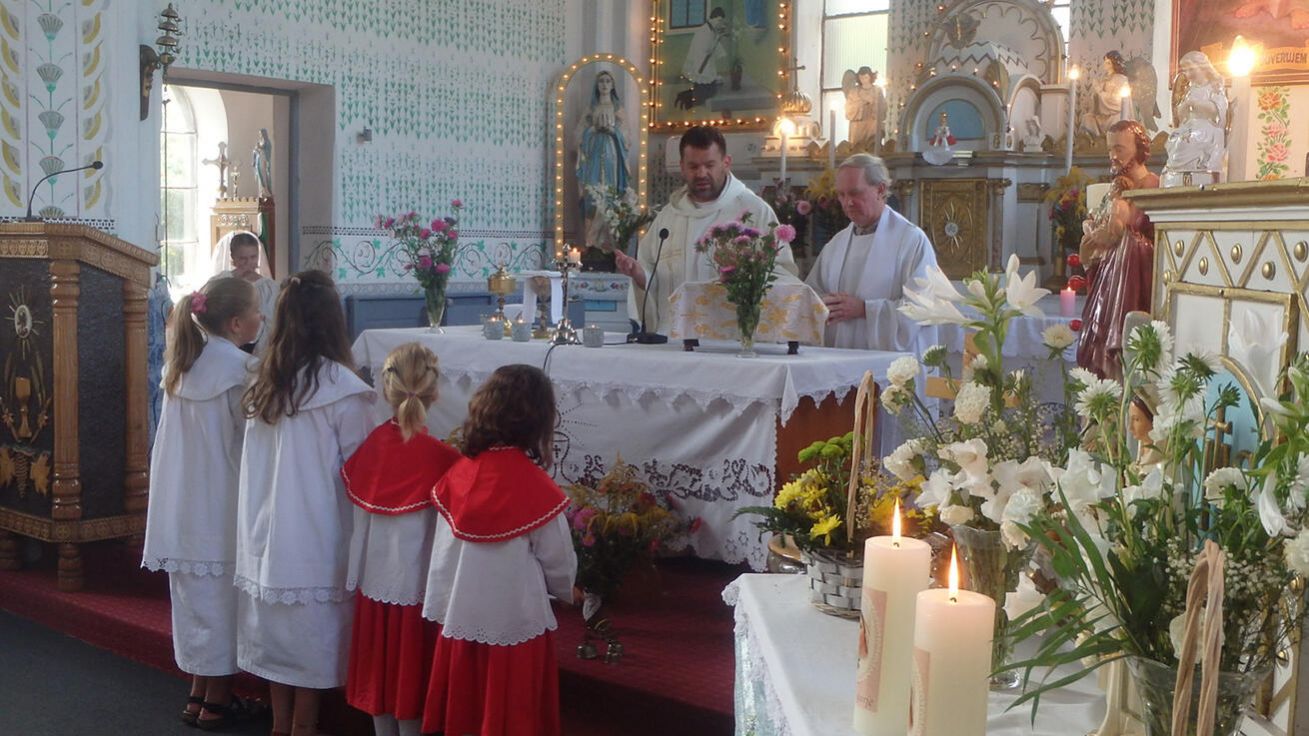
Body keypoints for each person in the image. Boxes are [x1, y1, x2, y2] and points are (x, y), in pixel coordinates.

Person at [236, 270, 377, 736]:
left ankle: (282, 724)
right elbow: (360, 468)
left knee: (280, 632)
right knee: (311, 632)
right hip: (316, 530)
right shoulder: (343, 389)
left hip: (268, 527)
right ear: (334, 323)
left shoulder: (266, 379)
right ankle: (303, 725)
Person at [421, 364, 577, 736]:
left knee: (467, 712)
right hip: (514, 623)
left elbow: (442, 554)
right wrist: (565, 590)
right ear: (539, 420)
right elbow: (558, 564)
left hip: (461, 618)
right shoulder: (534, 485)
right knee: (513, 714)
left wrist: (443, 605)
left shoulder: (460, 474)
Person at [142, 277, 263, 730]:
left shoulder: (185, 361)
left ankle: (198, 692)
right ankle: (217, 701)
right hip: (221, 500)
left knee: (196, 602)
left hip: (182, 502)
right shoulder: (238, 368)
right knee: (223, 604)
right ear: (236, 322)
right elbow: (249, 439)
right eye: (256, 310)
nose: (262, 318)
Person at [342, 343, 461, 736]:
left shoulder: (373, 445)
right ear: (435, 391)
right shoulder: (442, 457)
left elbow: (358, 520)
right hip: (421, 588)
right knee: (411, 676)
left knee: (381, 677)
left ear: (386, 387)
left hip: (375, 582)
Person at [615, 125, 798, 333]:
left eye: (709, 165)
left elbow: (782, 275)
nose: (701, 173)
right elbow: (652, 276)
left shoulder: (755, 212)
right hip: (673, 339)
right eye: (693, 167)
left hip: (730, 340)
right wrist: (640, 275)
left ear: (726, 163)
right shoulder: (668, 217)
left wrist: (745, 280)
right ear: (682, 166)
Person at [804, 154, 939, 353]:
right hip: (841, 359)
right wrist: (824, 304)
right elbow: (810, 295)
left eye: (855, 193)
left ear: (880, 190)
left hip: (892, 367)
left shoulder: (910, 240)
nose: (847, 203)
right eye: (841, 195)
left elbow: (922, 308)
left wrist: (864, 309)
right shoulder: (836, 245)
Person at [1077, 120, 1158, 379]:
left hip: (1131, 288)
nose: (1113, 156)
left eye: (1120, 149)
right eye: (1110, 149)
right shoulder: (1114, 191)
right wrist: (1090, 252)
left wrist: (1121, 236)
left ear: (1139, 149)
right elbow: (1101, 236)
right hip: (1108, 286)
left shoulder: (1153, 187)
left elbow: (1154, 245)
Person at [576, 69, 631, 249]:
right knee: (591, 195)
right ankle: (591, 243)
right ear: (597, 86)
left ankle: (609, 244)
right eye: (601, 81)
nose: (605, 85)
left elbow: (627, 138)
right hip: (593, 154)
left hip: (612, 154)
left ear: (613, 85)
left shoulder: (617, 109)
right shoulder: (590, 109)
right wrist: (592, 130)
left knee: (610, 195)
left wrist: (613, 131)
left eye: (608, 81)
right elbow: (577, 137)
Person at [1162, 50, 1228, 186]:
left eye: (1191, 69)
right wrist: (1183, 107)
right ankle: (1177, 171)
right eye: (1185, 71)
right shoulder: (1189, 90)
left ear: (1203, 67)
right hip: (1190, 126)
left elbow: (1217, 111)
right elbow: (1181, 117)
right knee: (1174, 139)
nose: (1188, 74)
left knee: (1187, 140)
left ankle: (1198, 165)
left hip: (1207, 126)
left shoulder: (1214, 87)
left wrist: (1195, 104)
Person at [213, 231, 278, 352]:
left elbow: (273, 322)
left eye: (253, 257)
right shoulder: (222, 281)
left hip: (259, 351)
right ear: (233, 258)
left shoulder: (269, 288)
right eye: (243, 259)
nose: (248, 263)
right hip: (226, 346)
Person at [1080, 51, 1130, 140]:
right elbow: (1096, 103)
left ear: (1114, 64)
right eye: (1105, 62)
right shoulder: (1104, 79)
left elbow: (1117, 101)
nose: (1105, 64)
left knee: (1118, 125)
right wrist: (1095, 94)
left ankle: (1103, 143)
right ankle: (1096, 142)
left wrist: (1099, 91)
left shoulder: (1121, 79)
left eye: (1108, 63)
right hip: (1102, 115)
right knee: (1087, 118)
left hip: (1115, 115)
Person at [842, 67, 885, 152]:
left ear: (870, 77)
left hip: (872, 123)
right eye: (861, 78)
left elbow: (883, 107)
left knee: (872, 144)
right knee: (857, 146)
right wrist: (861, 104)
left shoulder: (877, 90)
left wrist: (873, 104)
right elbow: (848, 109)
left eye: (866, 77)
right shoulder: (853, 92)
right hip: (858, 124)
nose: (864, 80)